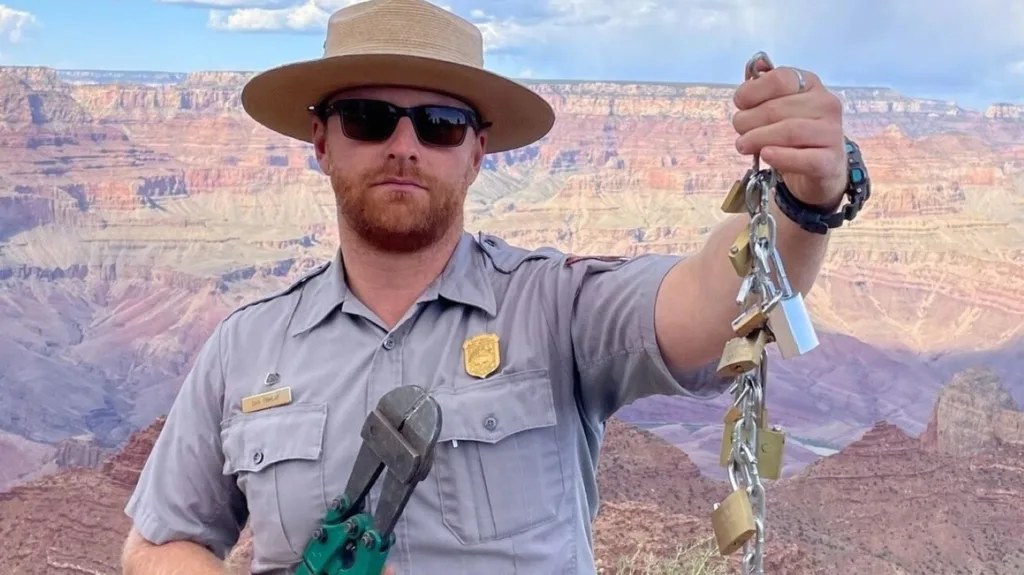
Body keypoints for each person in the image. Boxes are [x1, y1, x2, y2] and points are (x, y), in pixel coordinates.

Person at [119, 0, 867, 573]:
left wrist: (805, 199)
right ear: (322, 141)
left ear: (477, 152)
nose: (404, 146)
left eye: (439, 124)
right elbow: (155, 543)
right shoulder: (245, 347)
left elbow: (713, 302)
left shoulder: (556, 308)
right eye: (369, 119)